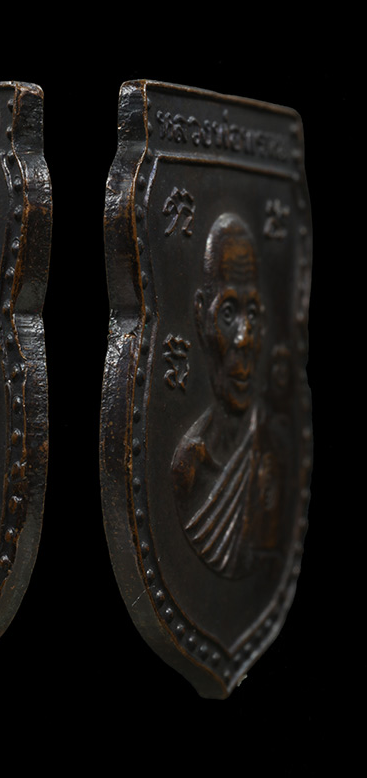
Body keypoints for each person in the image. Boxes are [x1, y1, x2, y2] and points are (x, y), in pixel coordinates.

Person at [171, 212, 280, 579]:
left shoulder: (272, 452)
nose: (244, 338)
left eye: (254, 314)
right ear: (201, 317)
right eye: (229, 312)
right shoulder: (188, 466)